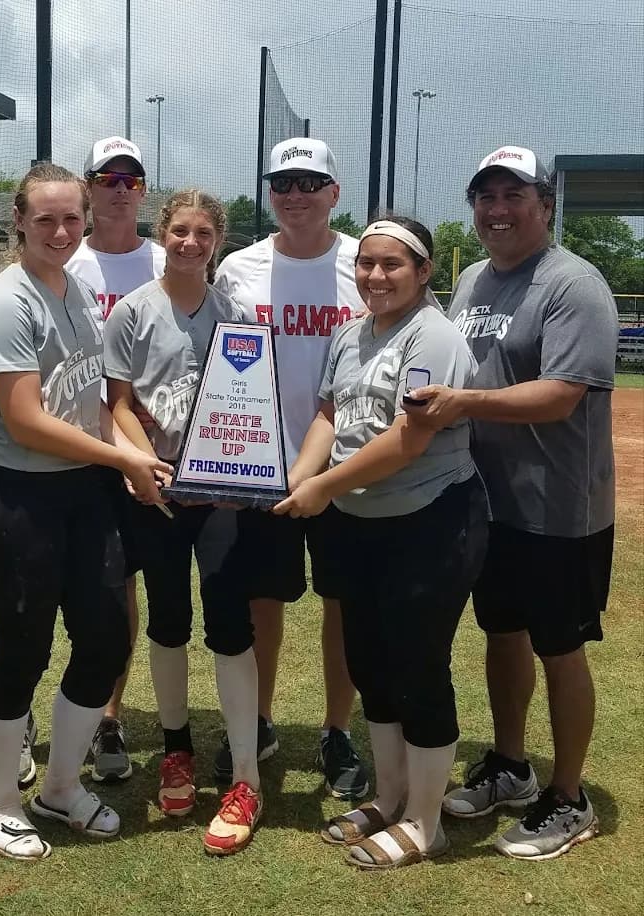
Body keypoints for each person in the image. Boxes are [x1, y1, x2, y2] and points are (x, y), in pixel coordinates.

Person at [405, 146, 617, 861]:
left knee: (560, 649)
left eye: (513, 195)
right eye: (485, 197)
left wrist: (464, 402)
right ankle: (510, 766)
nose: (497, 210)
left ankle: (569, 796)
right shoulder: (470, 280)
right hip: (486, 504)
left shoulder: (572, 284)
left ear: (545, 204)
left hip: (558, 509)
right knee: (502, 635)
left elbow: (560, 396)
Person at [0, 162, 170, 861]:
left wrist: (132, 458)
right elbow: (25, 420)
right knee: (22, 650)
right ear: (18, 220)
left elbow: (92, 404)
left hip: (85, 493)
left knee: (107, 638)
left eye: (71, 218)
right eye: (45, 218)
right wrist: (126, 462)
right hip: (19, 495)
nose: (59, 230)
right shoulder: (5, 302)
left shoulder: (78, 290)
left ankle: (58, 790)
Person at [274, 217, 487, 869]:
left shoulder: (435, 337)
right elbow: (330, 415)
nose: (374, 276)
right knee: (370, 663)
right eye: (365, 263)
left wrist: (321, 487)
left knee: (418, 666)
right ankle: (391, 799)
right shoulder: (349, 334)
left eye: (392, 264)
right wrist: (297, 475)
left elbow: (408, 440)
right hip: (359, 522)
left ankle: (427, 821)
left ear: (424, 272)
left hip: (431, 519)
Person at [104, 189, 263, 856]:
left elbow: (251, 405)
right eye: (179, 230)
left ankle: (247, 778)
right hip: (159, 493)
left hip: (221, 498)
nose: (190, 243)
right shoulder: (133, 312)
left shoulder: (240, 311)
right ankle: (176, 751)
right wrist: (142, 464)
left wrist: (239, 471)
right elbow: (115, 406)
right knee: (168, 620)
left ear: (216, 241)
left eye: (202, 232)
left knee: (230, 627)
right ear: (161, 234)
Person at [213, 137, 368, 799]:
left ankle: (336, 729)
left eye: (310, 182)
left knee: (346, 603)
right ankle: (261, 719)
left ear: (336, 193)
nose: (296, 194)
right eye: (283, 183)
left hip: (348, 470)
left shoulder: (369, 262)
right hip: (262, 471)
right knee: (261, 601)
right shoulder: (238, 270)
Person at [55, 135, 165, 786]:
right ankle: (40, 708)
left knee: (127, 586)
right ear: (89, 185)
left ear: (143, 190)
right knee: (70, 588)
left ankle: (109, 715)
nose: (120, 188)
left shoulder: (167, 257)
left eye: (132, 178)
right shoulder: (67, 262)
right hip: (76, 450)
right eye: (107, 177)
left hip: (150, 448)